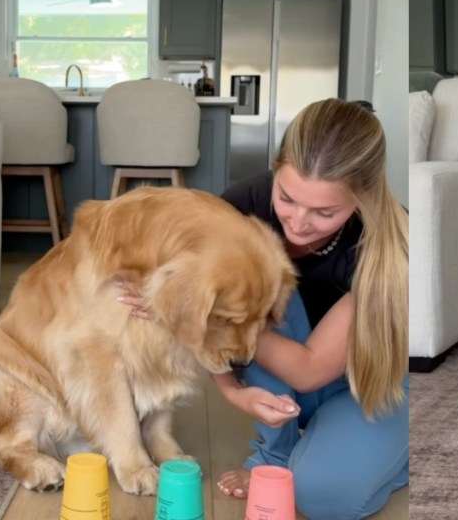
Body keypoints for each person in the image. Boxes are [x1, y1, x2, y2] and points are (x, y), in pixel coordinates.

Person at [119, 98, 408, 519]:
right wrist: (232, 389)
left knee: (324, 498)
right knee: (255, 273)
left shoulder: (390, 249)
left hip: (369, 382)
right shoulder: (241, 206)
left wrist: (189, 314)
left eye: (325, 211)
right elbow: (205, 310)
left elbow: (308, 370)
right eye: (287, 198)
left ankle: (402, 448)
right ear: (275, 170)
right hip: (289, 378)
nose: (299, 222)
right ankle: (277, 455)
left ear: (362, 197)